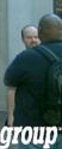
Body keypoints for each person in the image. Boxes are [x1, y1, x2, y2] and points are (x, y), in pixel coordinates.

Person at [4, 14, 62, 148]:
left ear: (40, 31)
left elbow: (9, 82)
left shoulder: (25, 58)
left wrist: (11, 117)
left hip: (33, 130)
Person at [6, 25, 40, 126]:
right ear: (23, 40)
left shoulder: (49, 57)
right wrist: (11, 117)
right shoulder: (20, 60)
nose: (33, 40)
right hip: (27, 117)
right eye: (29, 37)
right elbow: (11, 89)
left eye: (36, 37)